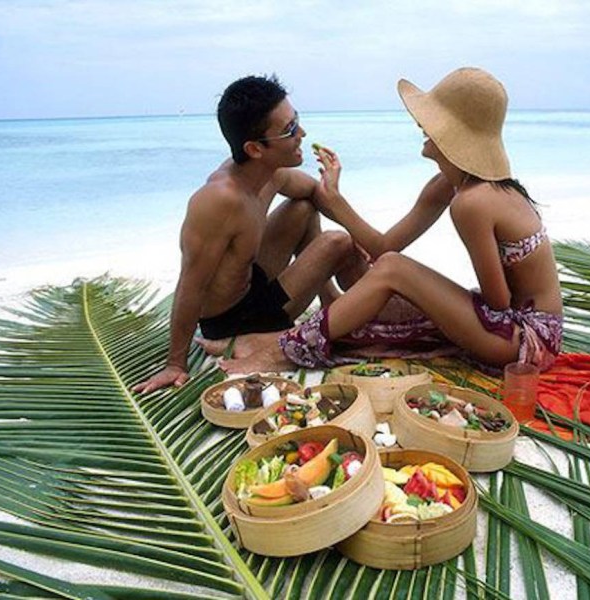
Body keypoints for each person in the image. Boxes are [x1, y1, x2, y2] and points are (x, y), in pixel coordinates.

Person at [221, 67, 563, 374]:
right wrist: (335, 201)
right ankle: (274, 339)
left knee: (395, 272)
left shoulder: (472, 203)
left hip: (525, 341)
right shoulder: (451, 184)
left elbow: (498, 303)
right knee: (380, 278)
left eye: (430, 123)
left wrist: (427, 296)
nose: (421, 126)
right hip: (508, 327)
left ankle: (280, 351)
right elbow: (384, 247)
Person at [132, 75, 365, 394]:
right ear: (255, 148)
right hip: (234, 318)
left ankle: (329, 301)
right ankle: (245, 340)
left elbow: (314, 191)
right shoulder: (219, 199)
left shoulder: (270, 171)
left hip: (252, 284)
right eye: (289, 130)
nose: (302, 134)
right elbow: (191, 283)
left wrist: (363, 234)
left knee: (303, 208)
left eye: (296, 121)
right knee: (338, 242)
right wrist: (176, 363)